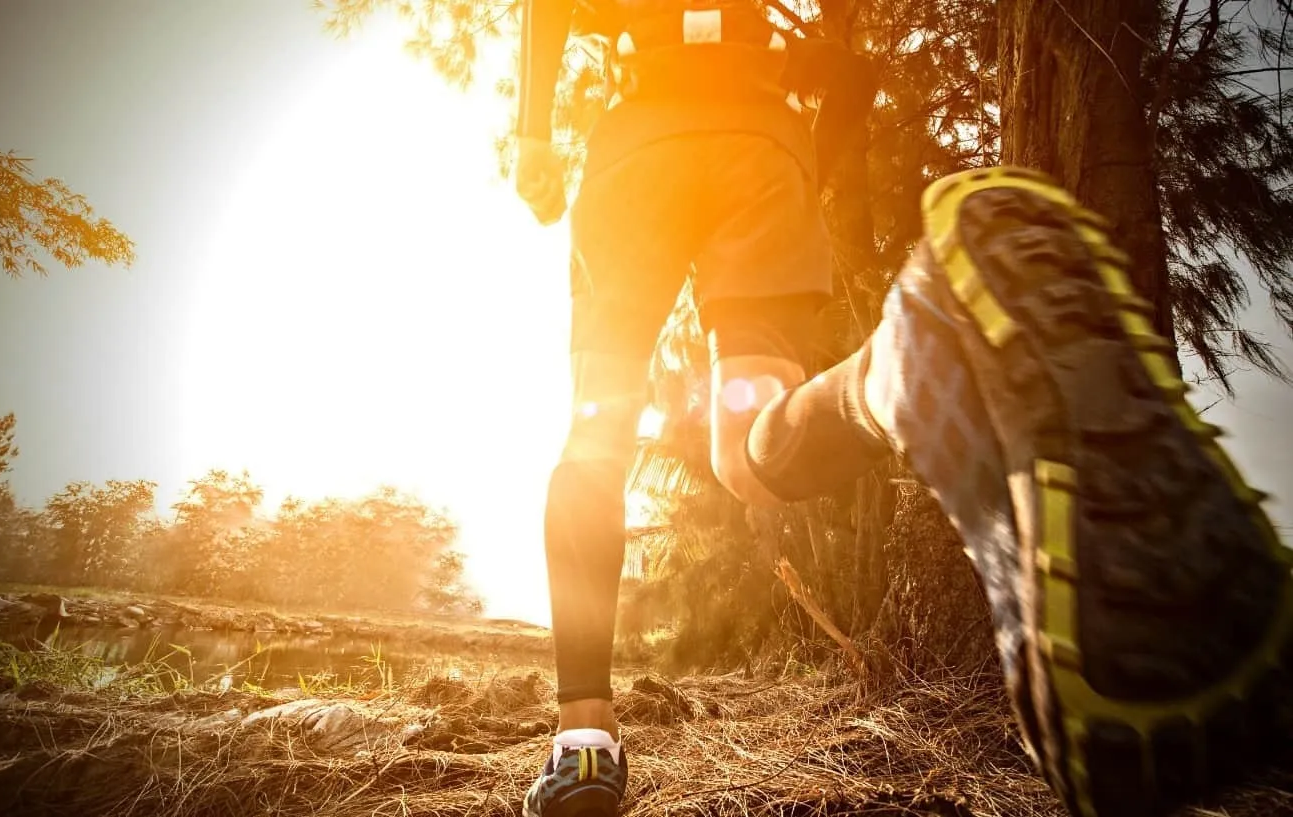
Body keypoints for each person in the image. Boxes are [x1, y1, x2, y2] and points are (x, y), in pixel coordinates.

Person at [512, 2, 1293, 817]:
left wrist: (533, 134)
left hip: (639, 157)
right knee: (748, 445)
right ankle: (895, 369)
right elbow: (850, 73)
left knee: (597, 437)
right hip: (761, 151)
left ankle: (584, 745)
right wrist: (805, 162)